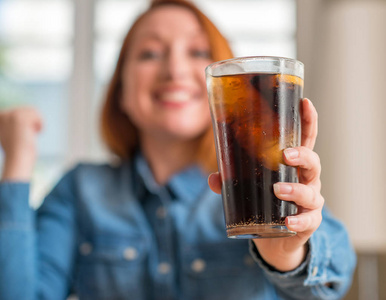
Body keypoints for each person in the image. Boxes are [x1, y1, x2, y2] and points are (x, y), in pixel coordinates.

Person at [0, 0, 356, 299]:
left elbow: (335, 277)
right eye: (150, 53)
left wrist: (289, 254)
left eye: (197, 52)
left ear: (230, 90)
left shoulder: (262, 185)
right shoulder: (80, 190)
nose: (174, 70)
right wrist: (17, 161)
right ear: (121, 90)